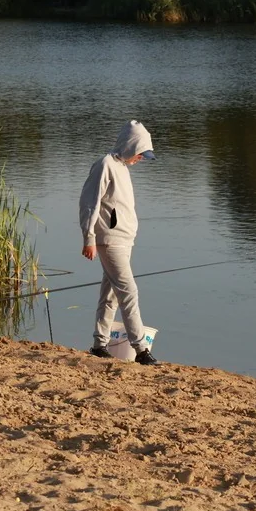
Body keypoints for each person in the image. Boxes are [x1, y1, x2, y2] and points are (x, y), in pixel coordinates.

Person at [79, 120, 158, 365]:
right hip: (109, 241)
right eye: (140, 154)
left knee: (111, 294)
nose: (141, 159)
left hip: (124, 241)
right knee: (129, 291)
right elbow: (89, 204)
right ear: (129, 146)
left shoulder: (122, 167)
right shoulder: (105, 165)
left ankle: (99, 345)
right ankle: (141, 350)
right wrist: (89, 237)